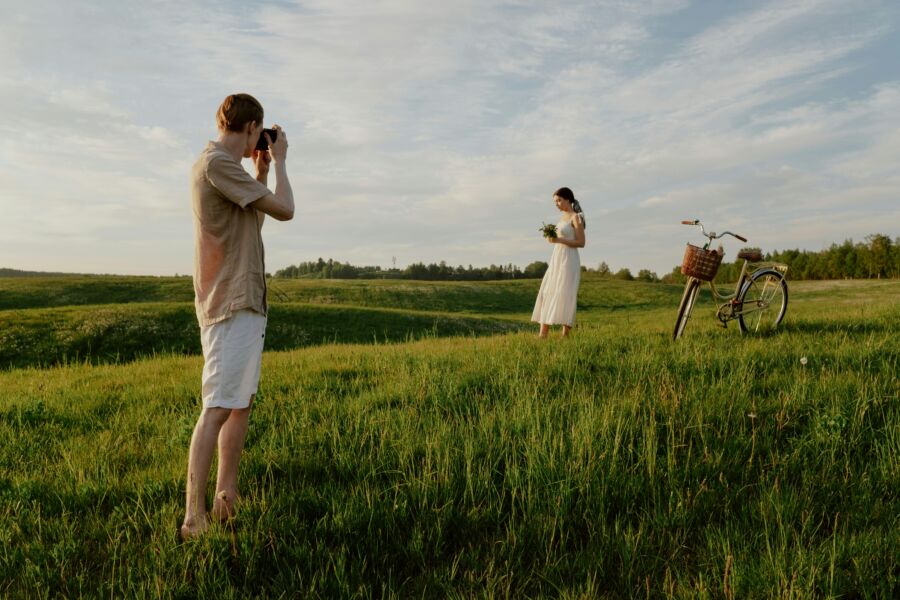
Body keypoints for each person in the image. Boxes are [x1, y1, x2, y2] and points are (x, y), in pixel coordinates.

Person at [181, 93, 294, 540]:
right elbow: (285, 209)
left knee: (239, 403)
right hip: (228, 299)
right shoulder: (215, 163)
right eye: (259, 135)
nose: (260, 143)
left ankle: (227, 498)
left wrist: (260, 173)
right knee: (216, 407)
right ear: (251, 128)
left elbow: (251, 224)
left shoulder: (230, 170)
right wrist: (281, 165)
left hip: (244, 296)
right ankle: (194, 517)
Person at [531, 187, 586, 338]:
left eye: (559, 200)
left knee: (565, 292)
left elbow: (581, 242)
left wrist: (559, 240)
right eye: (555, 201)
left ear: (568, 199)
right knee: (548, 290)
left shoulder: (576, 217)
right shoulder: (562, 218)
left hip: (569, 259)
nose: (557, 204)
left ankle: (565, 335)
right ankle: (543, 334)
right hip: (557, 258)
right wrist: (552, 239)